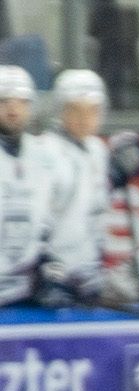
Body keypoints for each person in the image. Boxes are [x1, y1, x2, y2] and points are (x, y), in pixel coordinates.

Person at [0, 65, 95, 308]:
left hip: (27, 289)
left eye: (21, 102)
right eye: (4, 101)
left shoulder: (45, 155)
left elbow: (59, 221)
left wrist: (54, 266)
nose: (13, 109)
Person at [40, 69, 115, 299]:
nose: (84, 119)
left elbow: (98, 213)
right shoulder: (44, 150)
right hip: (53, 274)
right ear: (59, 109)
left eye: (92, 110)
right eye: (75, 109)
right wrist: (45, 268)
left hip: (88, 273)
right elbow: (38, 219)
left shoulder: (98, 150)